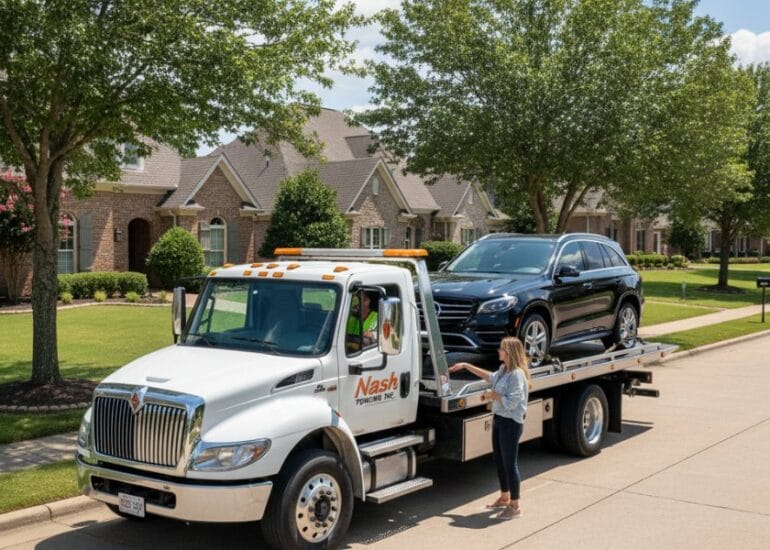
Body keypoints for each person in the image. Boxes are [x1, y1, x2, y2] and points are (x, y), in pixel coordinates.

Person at [448, 337, 530, 520]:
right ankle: (504, 497)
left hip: (511, 423)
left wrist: (494, 395)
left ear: (509, 352)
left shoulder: (516, 374)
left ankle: (515, 506)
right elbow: (489, 377)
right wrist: (465, 365)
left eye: (501, 349)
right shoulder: (503, 370)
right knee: (499, 460)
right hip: (500, 420)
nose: (498, 351)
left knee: (510, 464)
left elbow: (513, 402)